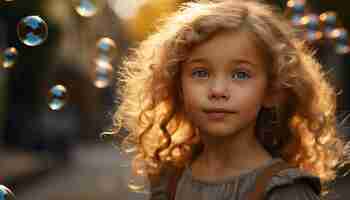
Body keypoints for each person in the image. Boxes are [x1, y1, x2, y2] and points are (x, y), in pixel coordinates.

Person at [111, 0, 350, 199]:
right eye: (201, 73)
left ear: (271, 91)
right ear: (178, 87)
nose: (217, 90)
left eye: (240, 74)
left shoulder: (286, 192)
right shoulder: (168, 179)